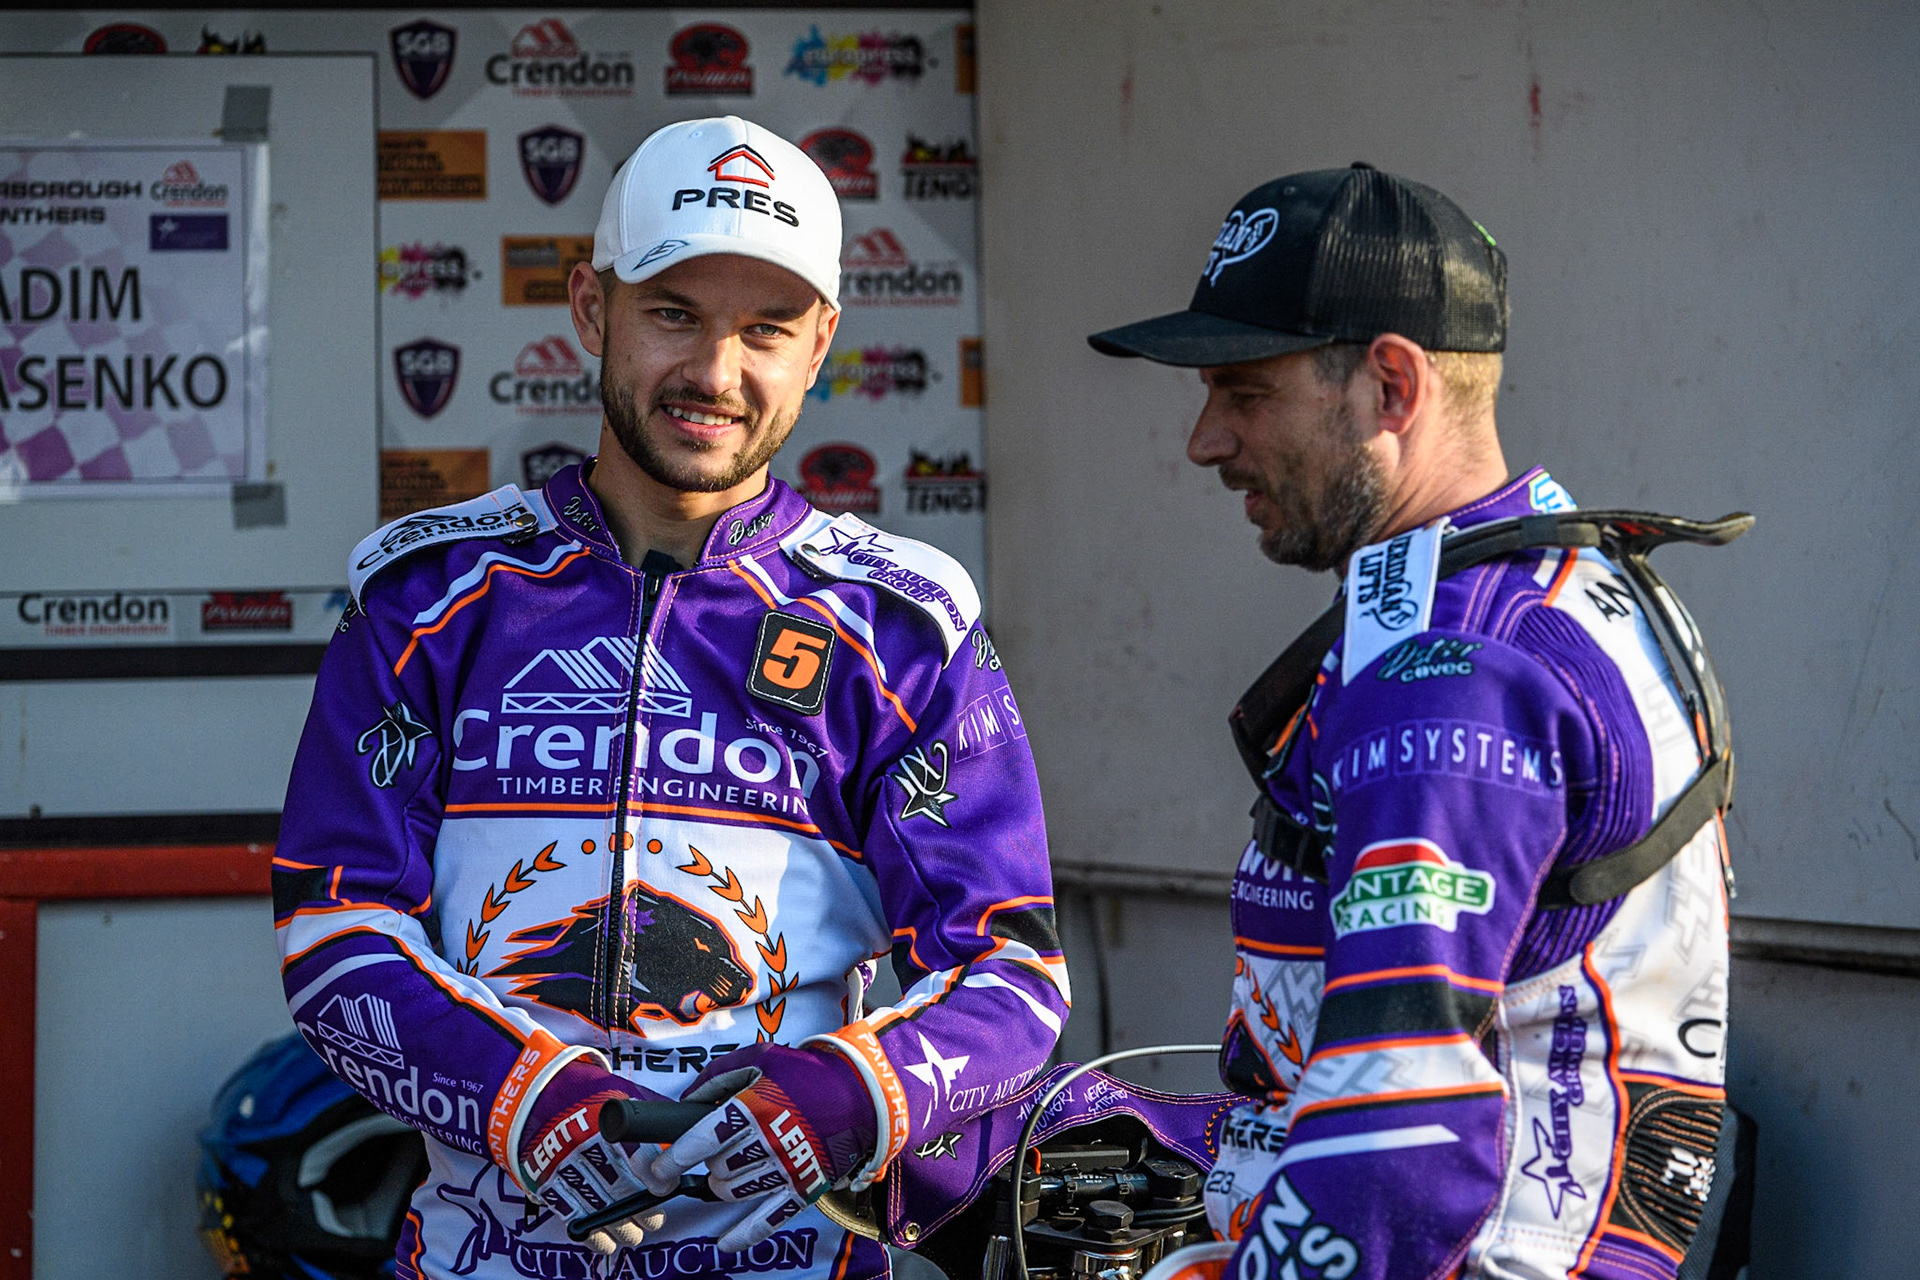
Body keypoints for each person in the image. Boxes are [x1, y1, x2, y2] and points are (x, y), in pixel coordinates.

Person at [275, 116, 1068, 1280]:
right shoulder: (428, 594)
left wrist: (841, 1097)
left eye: (765, 330)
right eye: (675, 314)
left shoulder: (899, 624)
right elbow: (333, 927)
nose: (715, 372)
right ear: (593, 310)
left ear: (821, 345)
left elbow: (1011, 969)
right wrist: (523, 1096)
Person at [1087, 164, 1737, 1279]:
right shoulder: (1566, 576)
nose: (1204, 440)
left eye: (1244, 392)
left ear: (1391, 383)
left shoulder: (1453, 668)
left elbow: (1403, 1133)